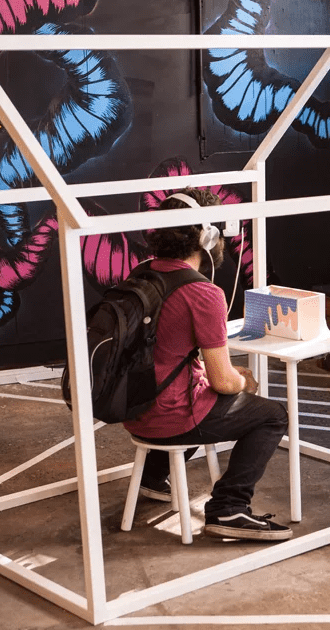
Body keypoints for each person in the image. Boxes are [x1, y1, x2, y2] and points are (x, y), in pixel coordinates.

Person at [125, 188, 291, 542]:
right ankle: (230, 508)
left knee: (199, 395)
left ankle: (154, 476)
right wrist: (242, 381)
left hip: (133, 410)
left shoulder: (139, 275)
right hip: (171, 417)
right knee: (272, 414)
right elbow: (223, 382)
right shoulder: (204, 294)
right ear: (208, 236)